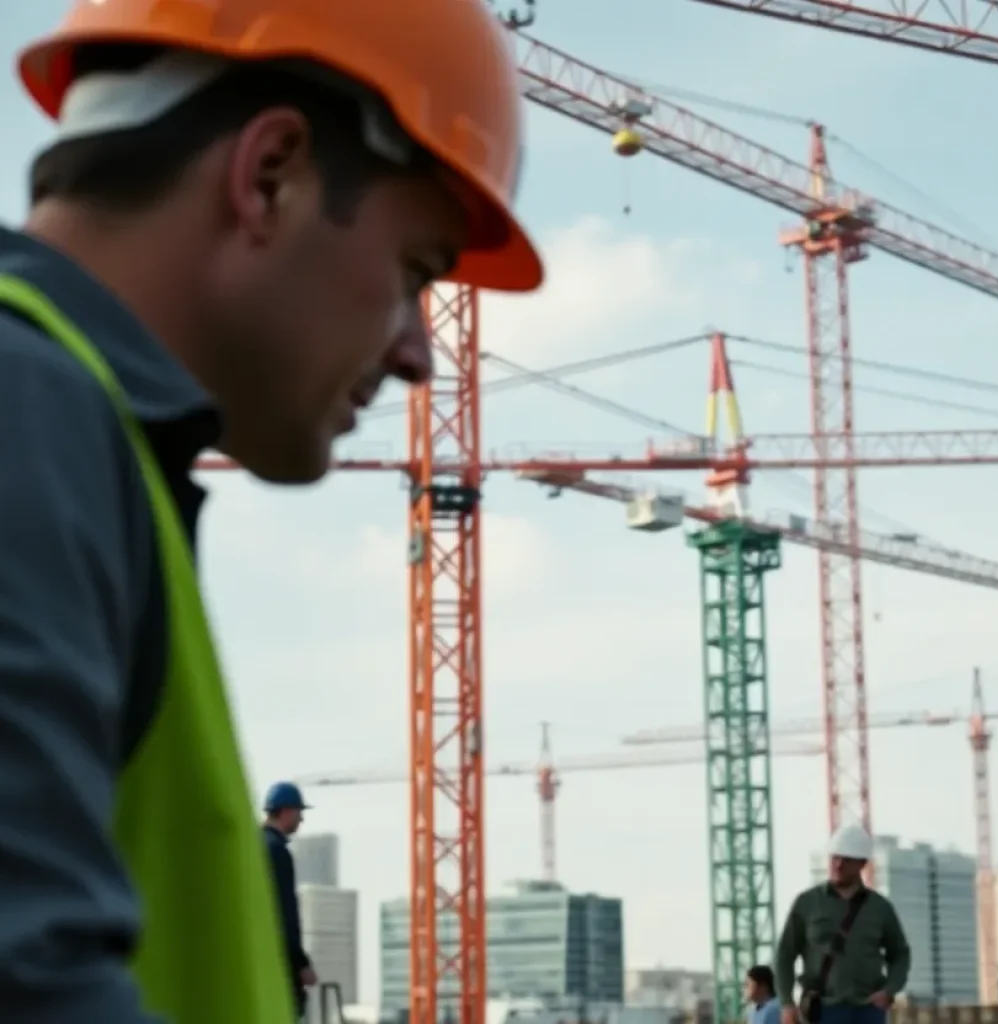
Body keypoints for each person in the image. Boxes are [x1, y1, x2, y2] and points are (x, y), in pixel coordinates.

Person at [0, 1, 543, 1021]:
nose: (418, 354)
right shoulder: (26, 412)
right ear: (271, 174)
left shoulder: (87, 445)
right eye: (414, 273)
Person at [775, 824, 911, 1024]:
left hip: (868, 1011)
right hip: (822, 1010)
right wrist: (787, 1003)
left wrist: (889, 991)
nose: (838, 864)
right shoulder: (807, 903)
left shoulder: (880, 908)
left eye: (846, 859)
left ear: (862, 864)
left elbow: (900, 953)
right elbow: (784, 955)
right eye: (834, 857)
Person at [263, 782, 317, 1020]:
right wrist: (300, 963)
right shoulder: (277, 851)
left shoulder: (252, 845)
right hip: (279, 964)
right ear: (285, 811)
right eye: (299, 812)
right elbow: (286, 913)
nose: (301, 819)